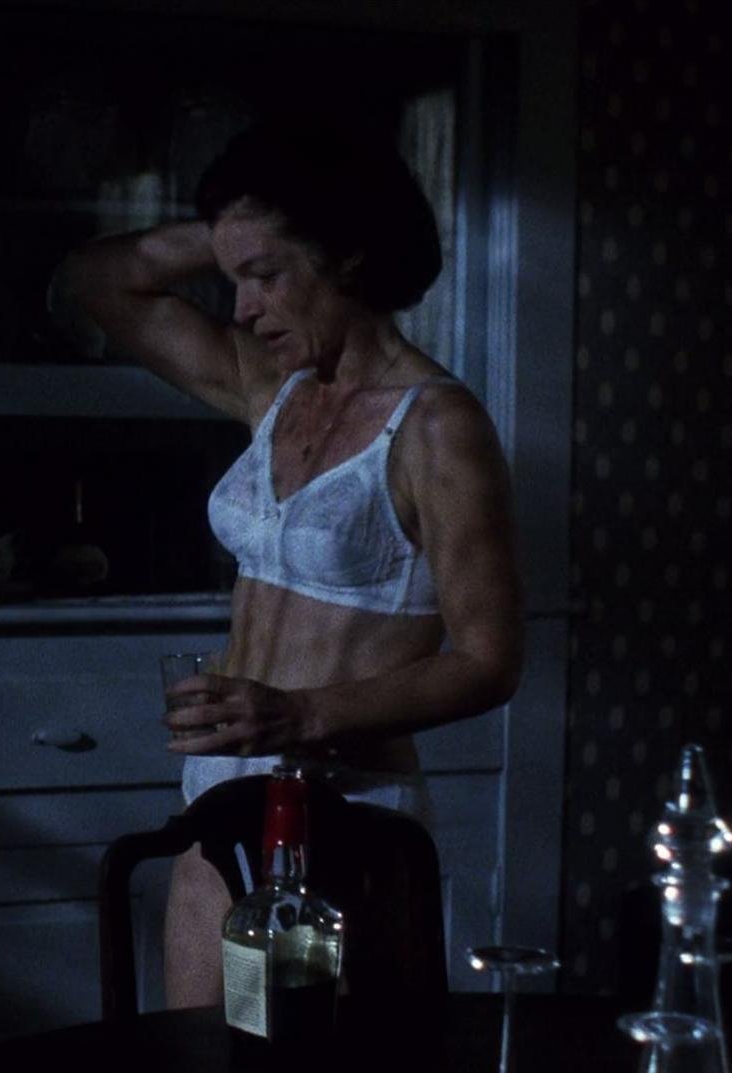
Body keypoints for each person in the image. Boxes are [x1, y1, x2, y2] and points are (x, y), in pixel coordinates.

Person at [57, 118, 523, 1007]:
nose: (241, 307)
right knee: (199, 1051)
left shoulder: (436, 425)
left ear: (347, 254)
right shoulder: (272, 385)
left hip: (345, 817)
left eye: (266, 276)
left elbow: (489, 658)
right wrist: (237, 230)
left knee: (321, 1060)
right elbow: (97, 280)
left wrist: (302, 714)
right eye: (232, 278)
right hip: (215, 806)